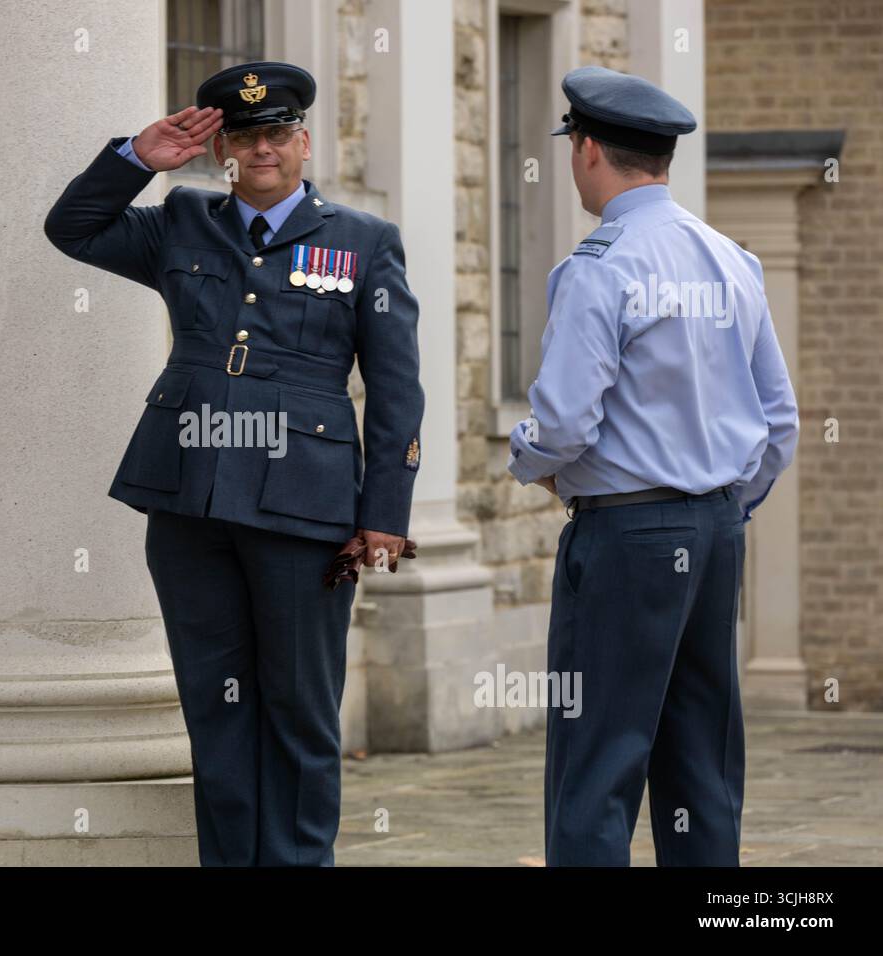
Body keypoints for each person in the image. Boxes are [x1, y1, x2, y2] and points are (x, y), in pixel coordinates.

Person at [44, 61, 424, 865]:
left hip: (303, 503)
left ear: (304, 142)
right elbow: (71, 228)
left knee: (299, 710)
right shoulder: (181, 221)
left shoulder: (362, 243)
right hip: (189, 497)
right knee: (214, 708)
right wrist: (135, 160)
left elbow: (396, 389)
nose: (262, 150)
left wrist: (385, 513)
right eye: (246, 137)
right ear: (226, 151)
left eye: (277, 134)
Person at [507, 66, 799, 866]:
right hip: (713, 528)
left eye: (573, 148)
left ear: (590, 149)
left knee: (597, 760)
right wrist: (728, 509)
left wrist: (526, 461)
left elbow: (563, 423)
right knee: (702, 760)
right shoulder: (731, 260)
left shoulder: (601, 265)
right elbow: (781, 422)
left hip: (628, 533)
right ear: (663, 160)